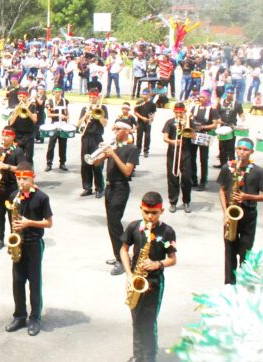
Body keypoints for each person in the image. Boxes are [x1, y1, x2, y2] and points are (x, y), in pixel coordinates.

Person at [119, 191, 177, 362]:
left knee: (149, 323)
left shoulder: (167, 232)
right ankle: (138, 356)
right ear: (141, 209)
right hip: (135, 280)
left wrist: (157, 264)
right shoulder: (133, 227)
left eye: (154, 213)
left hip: (154, 283)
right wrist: (129, 275)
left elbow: (173, 259)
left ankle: (150, 357)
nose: (150, 216)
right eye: (146, 212)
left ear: (162, 211)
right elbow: (123, 249)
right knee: (136, 321)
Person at [4, 162, 52, 337]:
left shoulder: (42, 197)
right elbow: (12, 220)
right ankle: (19, 316)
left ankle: (35, 318)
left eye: (25, 179)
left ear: (33, 178)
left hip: (34, 244)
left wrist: (29, 222)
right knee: (17, 282)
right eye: (19, 179)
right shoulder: (14, 196)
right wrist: (12, 240)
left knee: (34, 282)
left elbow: (49, 223)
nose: (21, 182)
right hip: (19, 243)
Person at [92, 118, 139, 275]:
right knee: (111, 223)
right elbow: (96, 164)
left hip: (120, 188)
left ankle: (122, 258)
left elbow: (127, 171)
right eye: (115, 129)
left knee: (115, 223)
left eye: (119, 129)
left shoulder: (132, 149)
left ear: (127, 131)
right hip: (110, 187)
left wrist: (113, 154)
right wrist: (101, 155)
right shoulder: (113, 147)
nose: (116, 132)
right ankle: (118, 254)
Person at [217, 138, 263, 285]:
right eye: (239, 149)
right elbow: (222, 190)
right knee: (229, 252)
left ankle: (244, 283)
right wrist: (226, 213)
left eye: (246, 150)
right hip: (231, 215)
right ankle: (229, 284)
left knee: (245, 252)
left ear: (251, 152)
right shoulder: (227, 168)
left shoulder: (258, 171)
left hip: (248, 216)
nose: (242, 152)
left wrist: (247, 196)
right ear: (236, 149)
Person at [0, 127, 25, 251]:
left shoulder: (18, 151)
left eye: (7, 135)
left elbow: (22, 168)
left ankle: (13, 239)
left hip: (12, 188)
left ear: (13, 137)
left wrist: (6, 167)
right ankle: (0, 238)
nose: (4, 138)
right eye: (2, 135)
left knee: (13, 215)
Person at [163, 103, 193, 213]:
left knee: (186, 178)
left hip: (186, 153)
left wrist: (187, 126)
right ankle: (173, 202)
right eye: (177, 112)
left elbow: (194, 136)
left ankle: (186, 201)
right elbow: (165, 138)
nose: (179, 114)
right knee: (172, 178)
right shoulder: (170, 122)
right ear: (174, 111)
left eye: (181, 112)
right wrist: (174, 141)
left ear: (184, 112)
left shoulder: (189, 121)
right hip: (172, 152)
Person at [188, 90, 221, 191]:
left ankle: (203, 181)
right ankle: (193, 179)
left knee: (203, 158)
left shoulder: (212, 110)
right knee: (192, 157)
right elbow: (190, 118)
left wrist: (203, 127)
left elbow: (215, 124)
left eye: (203, 97)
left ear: (208, 98)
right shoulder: (195, 107)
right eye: (200, 97)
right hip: (194, 134)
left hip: (204, 135)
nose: (201, 99)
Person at [78, 90, 108, 198]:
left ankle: (99, 188)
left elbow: (105, 124)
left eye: (93, 98)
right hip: (86, 137)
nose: (91, 99)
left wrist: (97, 113)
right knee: (85, 163)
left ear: (98, 98)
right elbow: (78, 124)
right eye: (90, 97)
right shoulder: (84, 109)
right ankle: (87, 188)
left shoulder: (102, 108)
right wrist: (86, 116)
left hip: (97, 137)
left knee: (97, 163)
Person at [215, 88, 245, 167]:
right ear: (226, 94)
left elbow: (241, 114)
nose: (229, 94)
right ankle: (223, 164)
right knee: (222, 147)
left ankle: (232, 164)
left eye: (231, 93)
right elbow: (216, 114)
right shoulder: (221, 103)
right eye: (228, 93)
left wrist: (242, 120)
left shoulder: (237, 104)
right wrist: (218, 120)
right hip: (222, 127)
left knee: (231, 147)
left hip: (232, 127)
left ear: (233, 94)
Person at [8, 90, 38, 163]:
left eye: (23, 97)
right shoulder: (15, 106)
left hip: (29, 134)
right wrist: (17, 110)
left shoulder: (32, 106)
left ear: (27, 97)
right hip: (17, 135)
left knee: (28, 157)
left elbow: (35, 120)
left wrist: (26, 109)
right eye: (20, 96)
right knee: (16, 155)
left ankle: (29, 171)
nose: (21, 98)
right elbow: (10, 123)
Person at [44, 88, 69, 171]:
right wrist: (59, 115)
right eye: (56, 92)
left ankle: (62, 163)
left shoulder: (65, 101)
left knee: (63, 145)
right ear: (53, 92)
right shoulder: (49, 102)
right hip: (54, 126)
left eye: (59, 92)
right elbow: (49, 114)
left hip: (63, 126)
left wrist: (67, 117)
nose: (58, 94)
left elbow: (67, 112)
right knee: (51, 146)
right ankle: (49, 163)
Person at [134, 89, 157, 157]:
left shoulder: (152, 103)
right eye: (143, 94)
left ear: (149, 95)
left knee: (147, 136)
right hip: (140, 121)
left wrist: (152, 117)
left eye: (146, 94)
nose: (144, 96)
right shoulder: (139, 102)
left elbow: (153, 112)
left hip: (148, 121)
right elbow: (135, 112)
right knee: (139, 136)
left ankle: (146, 150)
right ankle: (138, 150)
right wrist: (142, 118)